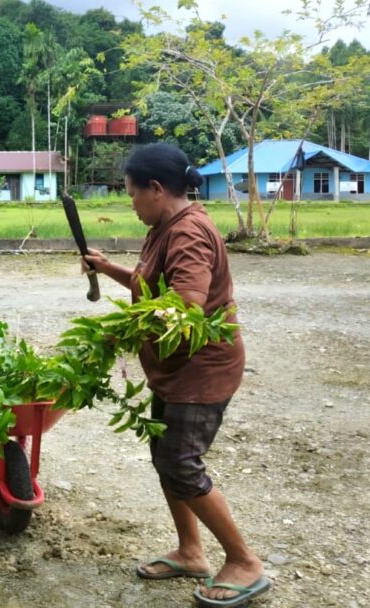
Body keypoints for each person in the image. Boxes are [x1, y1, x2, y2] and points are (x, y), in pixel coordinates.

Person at [82, 143, 270, 608]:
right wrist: (110, 270)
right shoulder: (165, 226)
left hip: (200, 372)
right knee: (166, 457)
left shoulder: (188, 234)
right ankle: (191, 552)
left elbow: (185, 307)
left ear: (157, 189)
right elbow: (155, 286)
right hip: (176, 370)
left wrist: (117, 333)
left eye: (131, 193)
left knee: (182, 465)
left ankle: (244, 561)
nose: (130, 203)